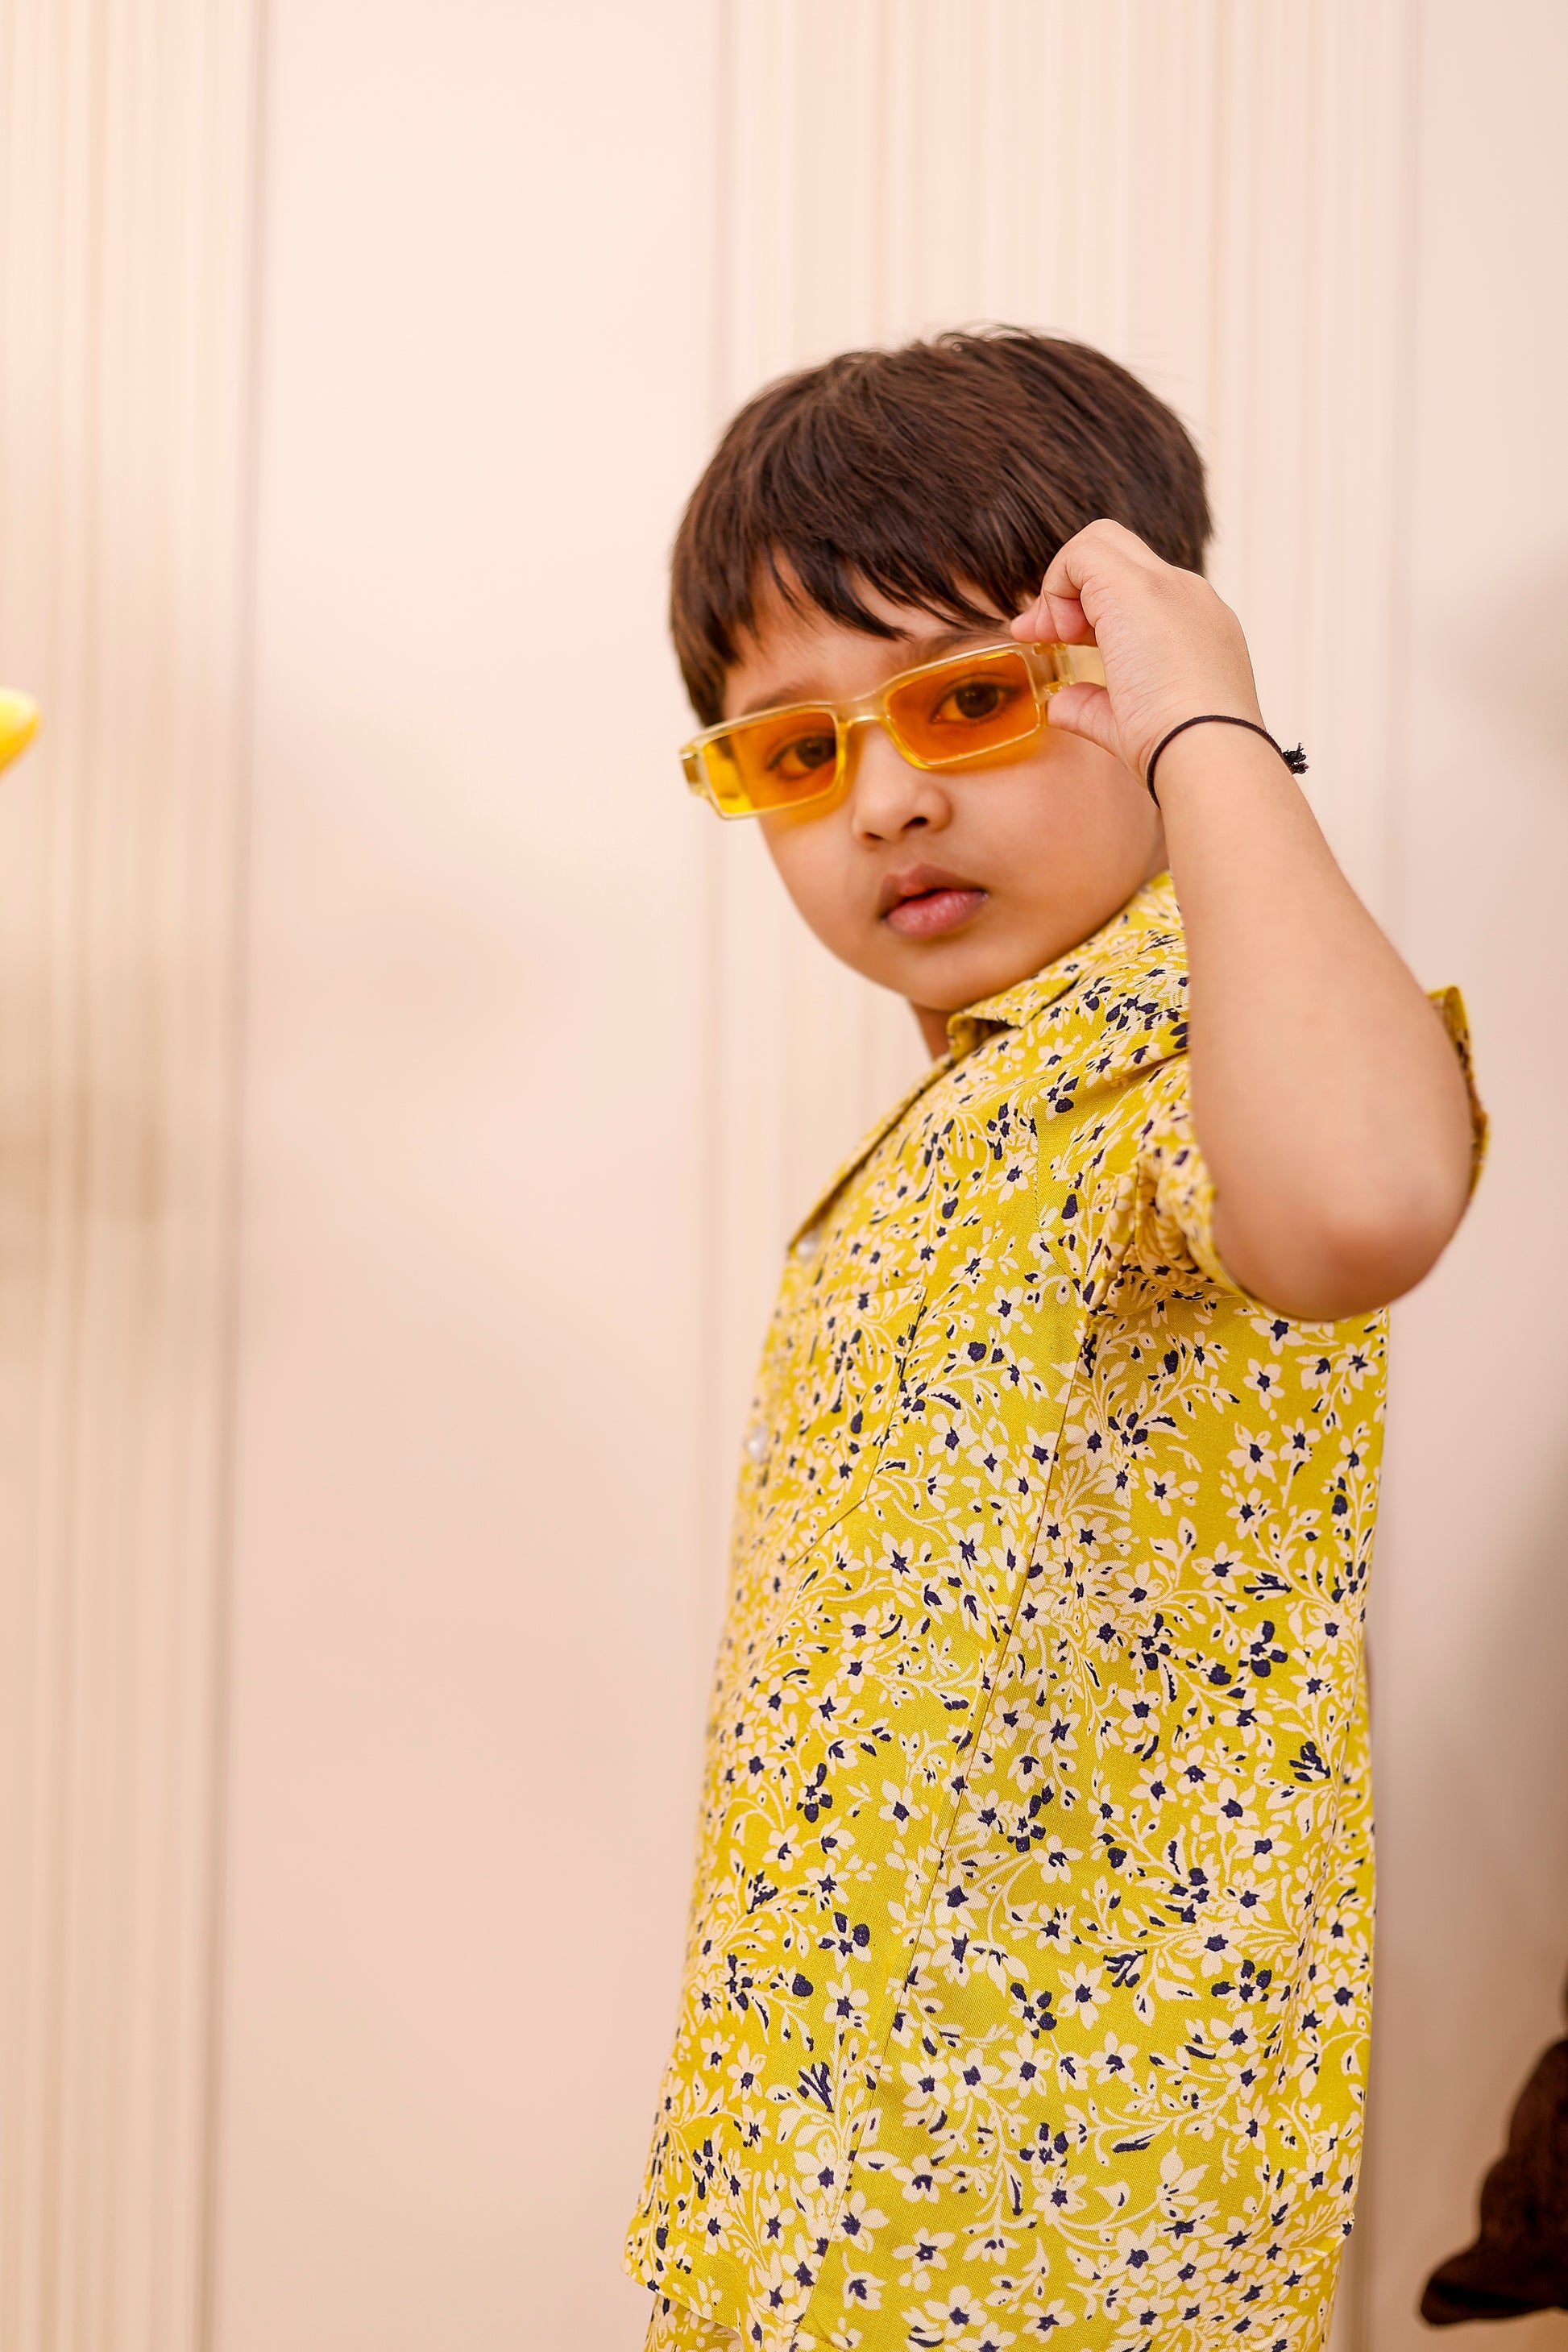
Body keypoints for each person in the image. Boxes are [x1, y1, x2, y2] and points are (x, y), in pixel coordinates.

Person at [626, 330, 1483, 2352]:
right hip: (815, 2199)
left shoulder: (1178, 1058)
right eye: (795, 750)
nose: (891, 796)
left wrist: (1211, 738)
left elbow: (1361, 1198)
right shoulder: (960, 1120)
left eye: (973, 698)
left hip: (1066, 2228)